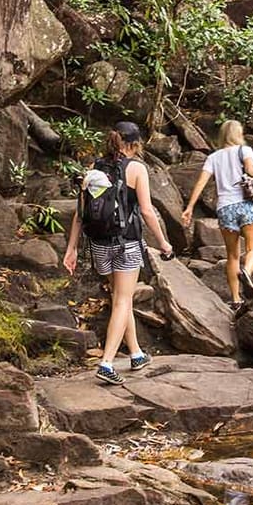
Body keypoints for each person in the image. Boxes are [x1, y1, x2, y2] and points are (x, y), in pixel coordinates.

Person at [62, 121, 176, 386]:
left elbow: (80, 213)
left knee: (119, 299)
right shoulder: (137, 168)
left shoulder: (94, 169)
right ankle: (107, 362)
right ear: (135, 144)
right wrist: (164, 243)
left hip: (100, 244)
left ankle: (135, 353)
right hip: (126, 243)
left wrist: (72, 249)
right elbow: (147, 211)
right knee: (123, 301)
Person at [184, 119, 253, 305]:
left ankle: (236, 299)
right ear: (238, 134)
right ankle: (247, 271)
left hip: (225, 208)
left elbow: (201, 183)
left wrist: (189, 207)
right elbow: (252, 172)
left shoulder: (213, 157)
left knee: (232, 255)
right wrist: (251, 165)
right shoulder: (244, 150)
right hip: (246, 205)